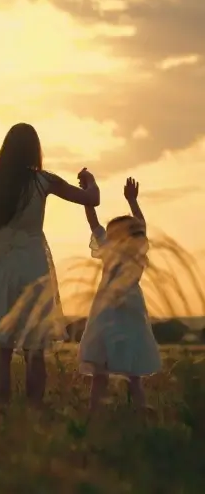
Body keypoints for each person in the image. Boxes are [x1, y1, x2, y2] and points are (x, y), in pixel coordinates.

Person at [0, 78, 100, 408]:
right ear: (35, 151)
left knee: (1, 350)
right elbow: (92, 198)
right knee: (34, 348)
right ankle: (33, 412)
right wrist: (89, 180)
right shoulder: (43, 181)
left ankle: (2, 410)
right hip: (32, 264)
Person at [77, 175, 161, 413]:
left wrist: (87, 196)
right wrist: (132, 201)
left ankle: (96, 412)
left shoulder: (110, 250)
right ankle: (141, 408)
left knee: (100, 371)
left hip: (107, 311)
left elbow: (93, 222)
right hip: (130, 307)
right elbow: (140, 225)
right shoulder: (137, 251)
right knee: (132, 371)